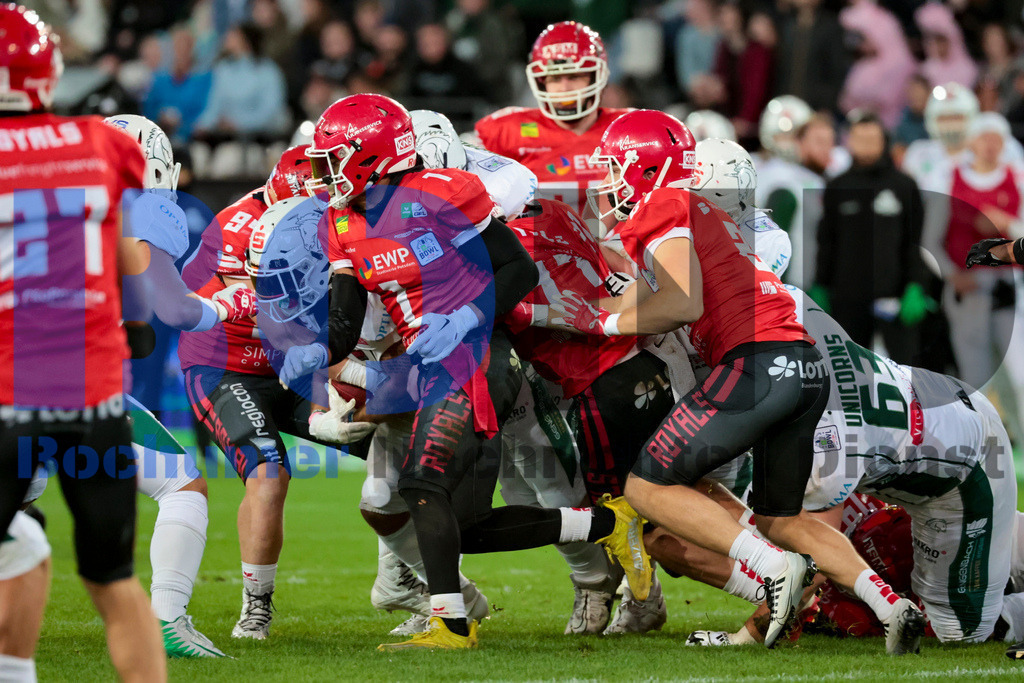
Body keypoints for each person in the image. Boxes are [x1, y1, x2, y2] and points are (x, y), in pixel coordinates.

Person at [551, 109, 925, 653]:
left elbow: (679, 302)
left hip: (758, 361)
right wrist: (584, 311)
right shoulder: (708, 215)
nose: (607, 181)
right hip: (802, 364)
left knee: (646, 486)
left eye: (615, 166)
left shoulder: (668, 203)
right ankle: (892, 607)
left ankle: (775, 572)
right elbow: (646, 292)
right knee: (782, 519)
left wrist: (596, 318)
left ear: (647, 165)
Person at [302, 93, 651, 650]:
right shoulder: (341, 221)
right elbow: (343, 316)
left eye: (334, 158)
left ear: (371, 153)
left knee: (421, 484)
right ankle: (612, 523)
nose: (324, 173)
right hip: (419, 364)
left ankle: (451, 625)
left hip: (473, 354)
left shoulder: (446, 192)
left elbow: (518, 267)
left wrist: (467, 314)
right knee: (466, 525)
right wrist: (310, 345)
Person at [687, 285, 1024, 648]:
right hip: (938, 410)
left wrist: (747, 636)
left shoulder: (824, 439)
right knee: (881, 549)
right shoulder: (791, 308)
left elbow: (812, 565)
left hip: (964, 469)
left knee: (960, 631)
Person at [0, 5, 166, 681]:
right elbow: (132, 265)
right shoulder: (104, 144)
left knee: (20, 548)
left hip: (9, 394)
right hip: (93, 398)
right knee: (114, 583)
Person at [106, 113, 251, 658]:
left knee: (19, 513)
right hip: (62, 384)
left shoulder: (50, 200)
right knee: (182, 485)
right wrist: (227, 305)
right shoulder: (146, 206)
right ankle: (167, 620)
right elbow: (174, 308)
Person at [176, 144, 324, 641]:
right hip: (228, 366)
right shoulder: (236, 224)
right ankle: (255, 607)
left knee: (393, 444)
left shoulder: (340, 217)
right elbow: (200, 304)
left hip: (300, 364)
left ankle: (409, 582)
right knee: (268, 474)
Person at [474, 21, 629, 222]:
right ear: (541, 81)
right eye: (555, 78)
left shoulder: (628, 129)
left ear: (596, 76)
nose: (564, 88)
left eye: (574, 76)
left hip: (616, 248)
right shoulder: (504, 130)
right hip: (540, 248)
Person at [811, 112, 931, 367]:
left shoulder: (904, 185)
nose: (866, 145)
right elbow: (827, 240)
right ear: (850, 142)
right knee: (850, 371)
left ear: (883, 141)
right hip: (848, 299)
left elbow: (917, 240)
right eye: (860, 138)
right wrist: (820, 284)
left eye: (872, 139)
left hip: (896, 296)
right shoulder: (837, 186)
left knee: (906, 371)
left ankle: (908, 408)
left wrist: (916, 285)